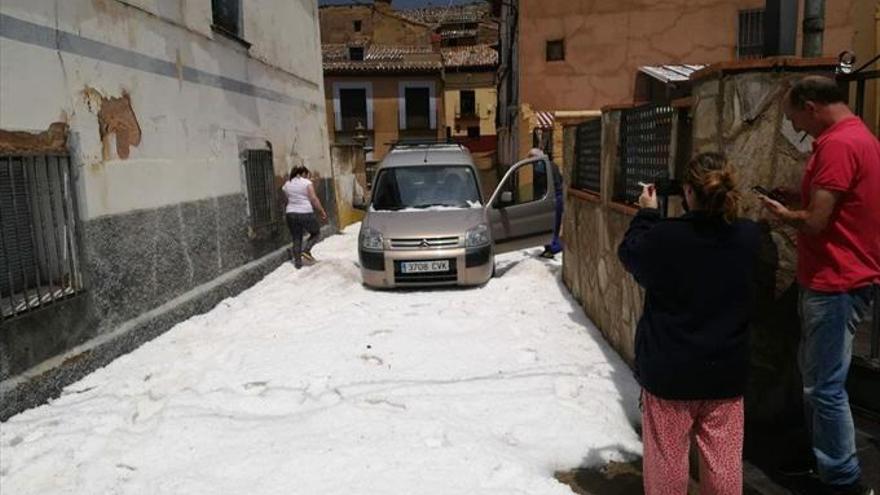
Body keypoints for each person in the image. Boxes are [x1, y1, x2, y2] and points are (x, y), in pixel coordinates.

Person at [759, 76, 879, 495]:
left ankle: (842, 480)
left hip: (836, 281)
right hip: (842, 276)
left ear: (811, 106)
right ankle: (827, 462)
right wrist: (797, 194)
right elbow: (835, 202)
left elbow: (815, 221)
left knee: (824, 387)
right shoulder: (858, 137)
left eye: (795, 119)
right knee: (821, 382)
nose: (798, 129)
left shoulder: (837, 145)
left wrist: (782, 213)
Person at [618, 152, 761, 495]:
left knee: (667, 462)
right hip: (725, 371)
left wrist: (646, 213)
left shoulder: (664, 238)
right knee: (723, 463)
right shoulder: (748, 237)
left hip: (670, 373)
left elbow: (630, 253)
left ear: (689, 192)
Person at [282, 165, 328, 269]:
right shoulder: (306, 183)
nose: (308, 177)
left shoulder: (287, 184)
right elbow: (313, 198)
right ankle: (306, 250)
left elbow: (287, 198)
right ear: (303, 174)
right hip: (305, 212)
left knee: (296, 237)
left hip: (291, 213)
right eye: (307, 175)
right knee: (316, 233)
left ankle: (298, 264)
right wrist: (321, 211)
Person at [528, 148, 564, 259]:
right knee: (548, 225)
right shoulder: (549, 165)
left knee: (552, 226)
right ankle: (549, 248)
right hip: (552, 199)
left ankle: (555, 248)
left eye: (532, 161)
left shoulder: (546, 167)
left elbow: (547, 185)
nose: (532, 165)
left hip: (554, 199)